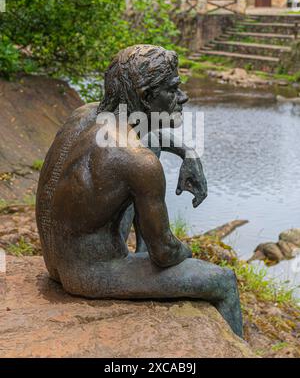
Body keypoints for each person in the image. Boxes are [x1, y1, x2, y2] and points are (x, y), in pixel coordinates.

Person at [36, 44, 243, 337]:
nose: (183, 97)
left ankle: (142, 255)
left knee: (150, 144)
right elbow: (167, 255)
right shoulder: (139, 162)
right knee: (224, 282)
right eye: (173, 89)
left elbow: (148, 135)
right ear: (146, 96)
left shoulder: (85, 115)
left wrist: (188, 152)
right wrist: (186, 250)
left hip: (56, 258)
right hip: (90, 274)